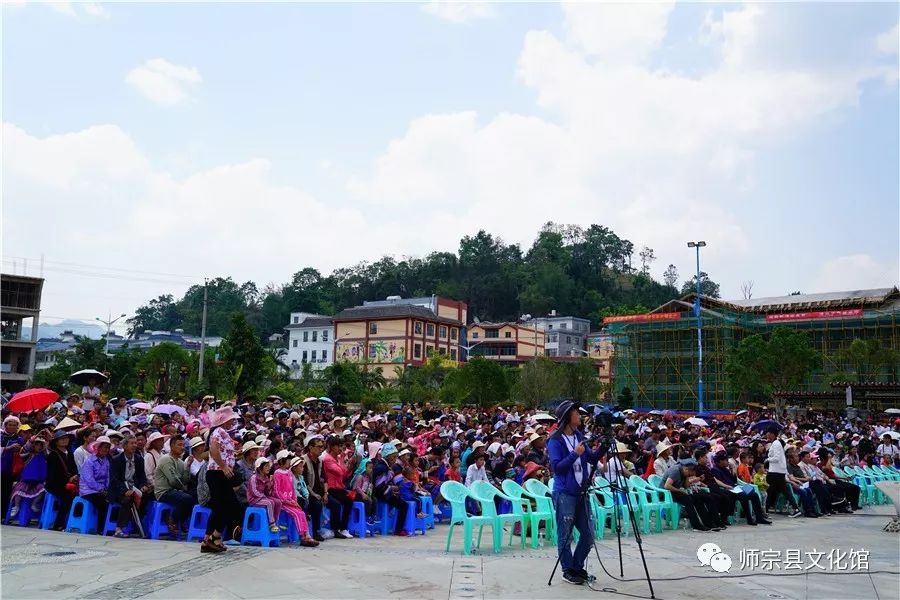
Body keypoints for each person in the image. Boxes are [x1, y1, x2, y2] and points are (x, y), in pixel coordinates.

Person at [547, 400, 605, 586]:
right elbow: (558, 468)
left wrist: (604, 445)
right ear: (567, 417)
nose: (580, 416)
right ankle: (567, 569)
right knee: (566, 535)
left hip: (581, 492)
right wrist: (574, 454)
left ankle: (577, 566)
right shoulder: (555, 440)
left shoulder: (579, 435)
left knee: (588, 533)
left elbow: (592, 458)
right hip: (565, 493)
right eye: (576, 413)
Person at [203, 406, 242, 554]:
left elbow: (222, 451)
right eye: (231, 419)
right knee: (229, 506)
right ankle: (216, 536)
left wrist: (234, 454)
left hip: (220, 473)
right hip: (217, 473)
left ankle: (208, 539)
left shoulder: (223, 433)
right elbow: (213, 450)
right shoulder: (218, 431)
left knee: (219, 507)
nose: (232, 422)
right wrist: (224, 466)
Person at [709, 451, 771, 525]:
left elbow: (734, 480)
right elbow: (719, 482)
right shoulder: (715, 469)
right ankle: (749, 519)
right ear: (720, 461)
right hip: (728, 489)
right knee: (743, 495)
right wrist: (728, 486)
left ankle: (759, 517)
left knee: (753, 493)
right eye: (725, 460)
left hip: (736, 487)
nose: (727, 462)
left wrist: (732, 471)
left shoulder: (725, 469)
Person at [663, 458, 720, 532]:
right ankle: (696, 526)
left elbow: (686, 486)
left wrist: (686, 477)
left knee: (698, 499)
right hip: (666, 493)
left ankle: (708, 523)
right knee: (688, 500)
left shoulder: (684, 472)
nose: (690, 476)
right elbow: (667, 486)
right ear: (686, 469)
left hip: (675, 492)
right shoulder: (675, 471)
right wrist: (680, 490)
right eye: (690, 474)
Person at [108, 435, 150, 537]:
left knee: (148, 496)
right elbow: (114, 480)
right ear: (124, 446)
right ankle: (119, 529)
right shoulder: (116, 460)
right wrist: (124, 490)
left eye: (135, 443)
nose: (135, 445)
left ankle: (138, 526)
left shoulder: (139, 459)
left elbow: (142, 477)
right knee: (127, 499)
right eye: (132, 443)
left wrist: (143, 485)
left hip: (134, 488)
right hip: (119, 490)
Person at [273, 454, 318, 547]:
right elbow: (277, 491)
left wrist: (294, 500)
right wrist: (287, 501)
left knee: (301, 513)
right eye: (288, 460)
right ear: (282, 461)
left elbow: (292, 489)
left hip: (291, 501)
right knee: (296, 514)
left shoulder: (288, 473)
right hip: (283, 503)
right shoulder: (277, 473)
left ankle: (306, 535)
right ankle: (302, 536)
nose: (289, 462)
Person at [154, 434, 195, 531]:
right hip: (164, 492)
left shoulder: (180, 462)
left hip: (174, 490)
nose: (182, 447)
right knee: (186, 498)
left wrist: (188, 466)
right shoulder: (166, 459)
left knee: (195, 496)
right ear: (172, 446)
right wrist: (183, 489)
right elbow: (173, 481)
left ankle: (180, 520)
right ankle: (173, 521)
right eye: (179, 445)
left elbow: (185, 480)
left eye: (183, 445)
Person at [9, 432, 49, 521]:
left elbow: (48, 450)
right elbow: (23, 450)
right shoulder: (28, 454)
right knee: (18, 491)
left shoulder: (44, 455)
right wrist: (33, 438)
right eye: (36, 444)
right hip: (26, 480)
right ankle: (16, 506)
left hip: (39, 481)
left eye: (40, 445)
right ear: (33, 446)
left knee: (43, 490)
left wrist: (47, 441)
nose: (39, 446)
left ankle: (34, 504)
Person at [45, 429, 79, 530]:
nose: (65, 440)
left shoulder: (70, 454)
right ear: (56, 442)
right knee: (67, 498)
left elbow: (74, 469)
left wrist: (75, 476)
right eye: (62, 439)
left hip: (69, 483)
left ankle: (73, 523)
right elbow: (53, 474)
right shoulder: (53, 455)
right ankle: (58, 524)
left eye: (66, 438)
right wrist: (68, 480)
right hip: (54, 484)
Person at [322, 437, 355, 539]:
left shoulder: (337, 459)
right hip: (331, 489)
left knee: (351, 498)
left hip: (339, 488)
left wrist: (344, 462)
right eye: (338, 446)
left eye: (341, 446)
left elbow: (345, 474)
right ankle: (335, 529)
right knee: (338, 504)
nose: (340, 448)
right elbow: (340, 471)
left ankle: (343, 528)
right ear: (332, 447)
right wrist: (342, 460)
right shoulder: (327, 459)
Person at [764, 427, 801, 517]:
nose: (767, 434)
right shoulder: (776, 443)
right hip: (779, 471)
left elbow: (776, 458)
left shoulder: (776, 444)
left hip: (775, 472)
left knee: (770, 491)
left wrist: (767, 459)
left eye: (768, 433)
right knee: (783, 491)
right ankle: (796, 508)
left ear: (772, 434)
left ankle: (765, 511)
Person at [79, 435, 112, 531]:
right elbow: (89, 480)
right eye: (104, 447)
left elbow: (107, 477)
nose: (106, 450)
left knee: (112, 498)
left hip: (101, 489)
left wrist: (107, 488)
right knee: (102, 501)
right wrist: (101, 489)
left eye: (108, 447)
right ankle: (100, 528)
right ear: (98, 447)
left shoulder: (106, 461)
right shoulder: (89, 461)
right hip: (88, 490)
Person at [247, 456, 282, 533]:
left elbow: (267, 493)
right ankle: (271, 524)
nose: (268, 468)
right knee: (270, 502)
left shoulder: (266, 478)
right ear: (259, 468)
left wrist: (270, 485)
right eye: (266, 466)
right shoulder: (254, 478)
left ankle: (275, 521)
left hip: (263, 497)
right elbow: (254, 492)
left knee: (278, 502)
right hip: (254, 500)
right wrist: (264, 496)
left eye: (268, 466)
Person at [1, 415, 25, 515]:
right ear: (5, 426)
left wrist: (19, 449)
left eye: (15, 425)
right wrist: (8, 448)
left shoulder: (19, 439)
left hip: (11, 468)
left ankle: (2, 514)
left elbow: (23, 451)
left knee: (6, 492)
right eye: (10, 425)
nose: (12, 427)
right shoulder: (1, 437)